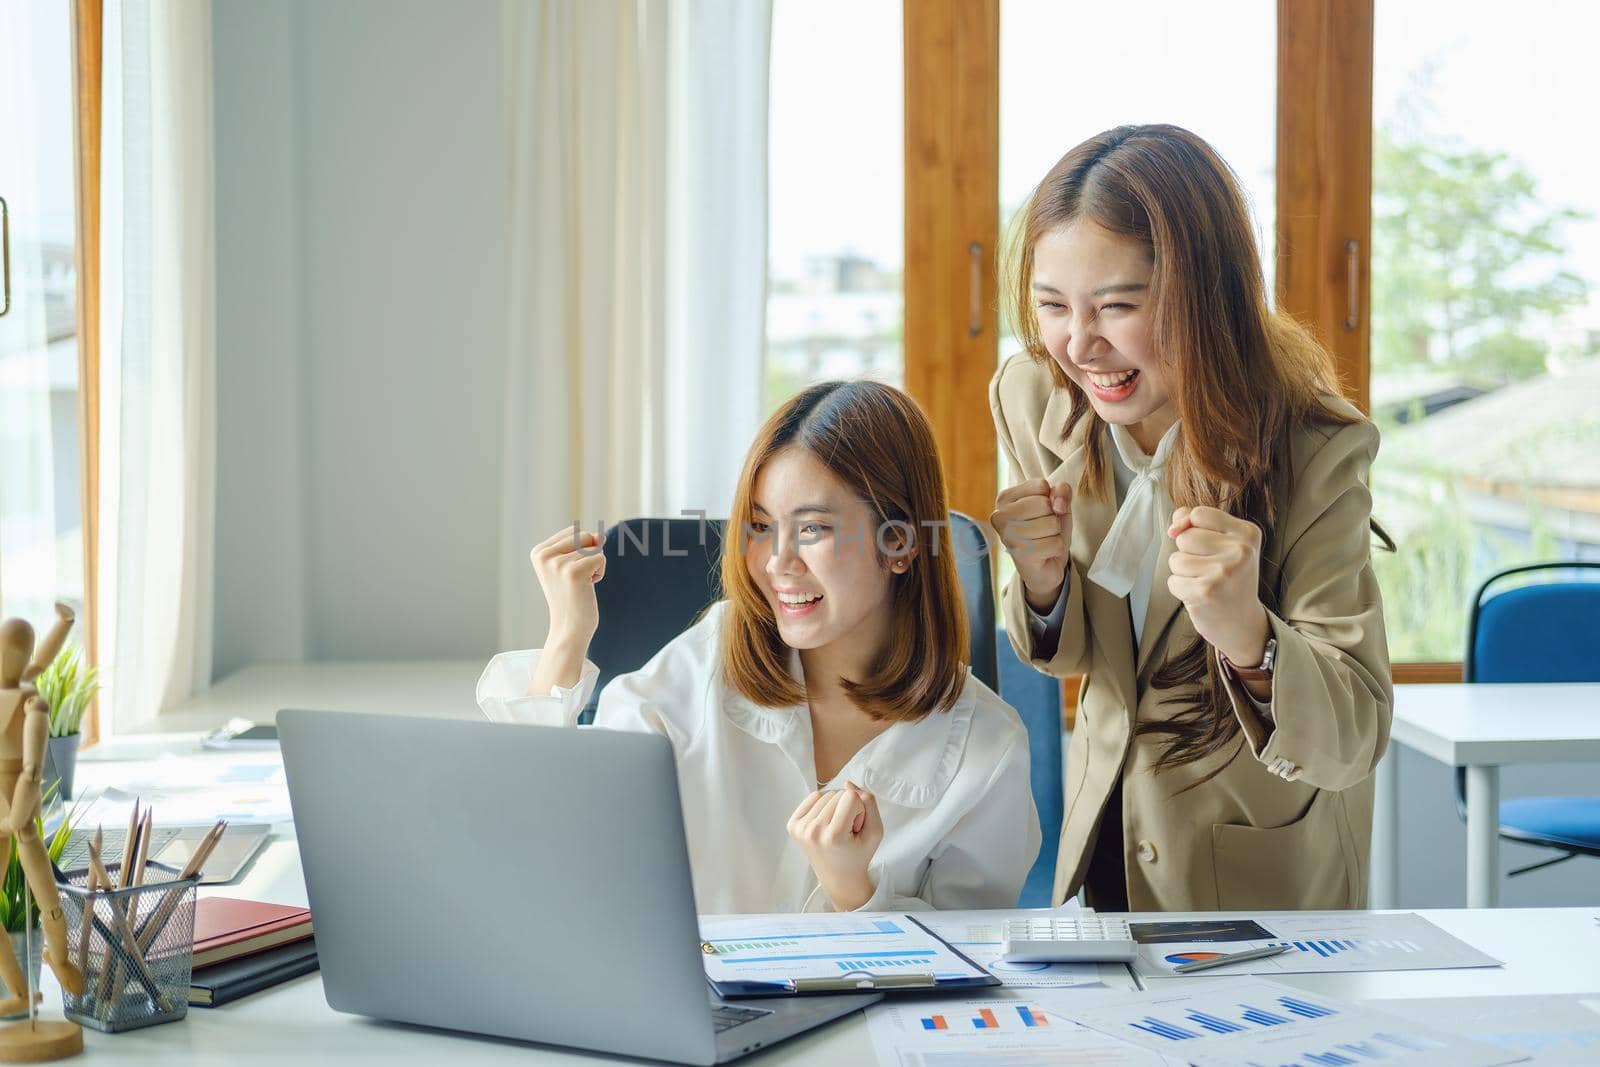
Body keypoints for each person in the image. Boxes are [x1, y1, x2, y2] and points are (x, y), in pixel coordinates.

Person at [990, 124, 1392, 912]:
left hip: (1256, 875)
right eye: (1051, 306)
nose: (1080, 344)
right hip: (1103, 840)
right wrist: (1041, 586)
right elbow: (1076, 658)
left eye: (1116, 306)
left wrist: (1247, 631)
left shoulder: (1316, 445)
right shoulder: (1032, 394)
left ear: (1205, 296)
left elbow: (1353, 733)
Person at [480, 380, 1039, 914]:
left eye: (814, 529)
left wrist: (856, 891)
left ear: (900, 543)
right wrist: (565, 639)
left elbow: (972, 961)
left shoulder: (988, 746)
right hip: (698, 1008)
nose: (777, 563)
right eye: (760, 526)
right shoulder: (706, 662)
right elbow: (550, 835)